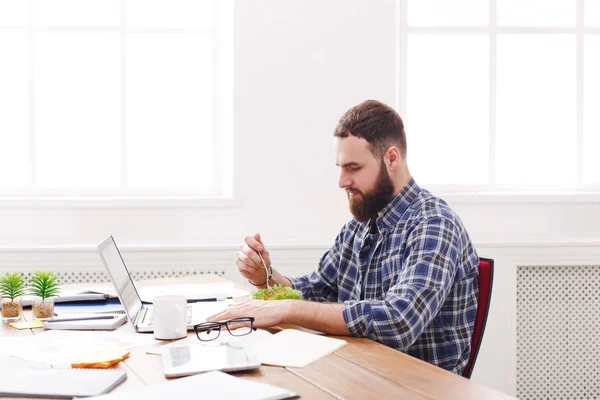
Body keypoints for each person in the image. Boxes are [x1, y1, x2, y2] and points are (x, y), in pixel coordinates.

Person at [208, 100, 479, 374]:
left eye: (353, 168)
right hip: (359, 374)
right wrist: (266, 277)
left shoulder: (434, 223)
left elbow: (399, 321)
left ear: (392, 158)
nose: (341, 181)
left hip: (418, 388)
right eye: (340, 167)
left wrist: (288, 309)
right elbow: (317, 290)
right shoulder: (358, 228)